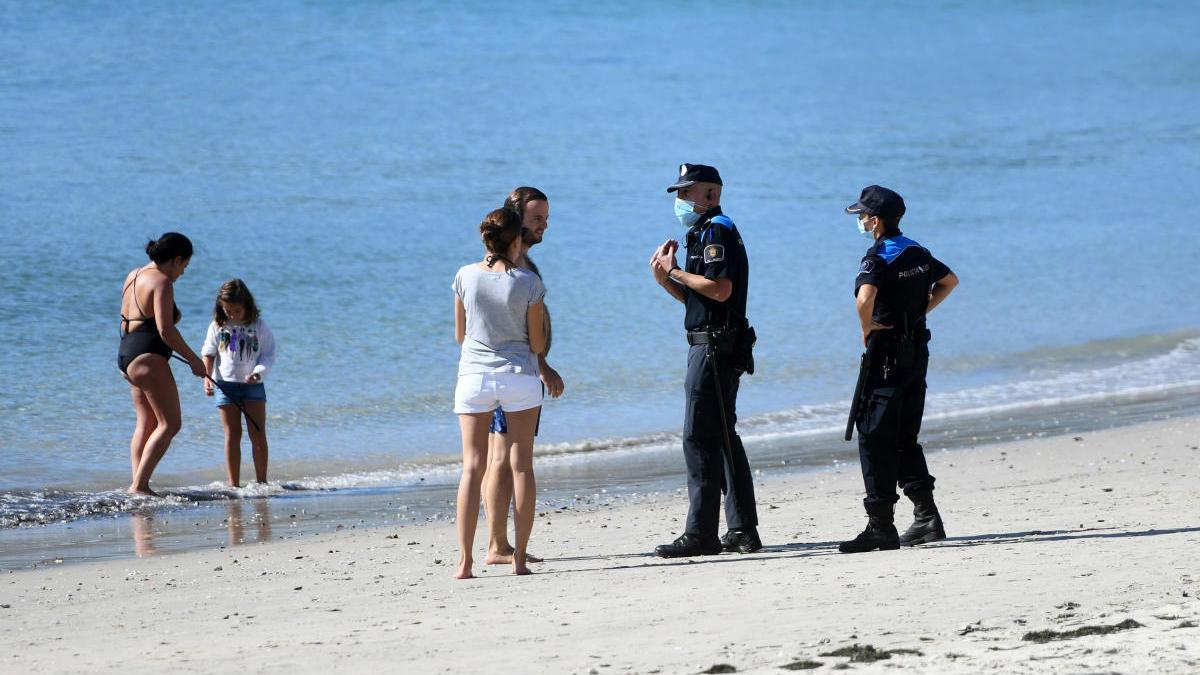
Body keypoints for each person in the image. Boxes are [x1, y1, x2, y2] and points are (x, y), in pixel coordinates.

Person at [648, 163, 761, 557]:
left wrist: (676, 271)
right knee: (723, 436)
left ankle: (701, 533)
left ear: (710, 194)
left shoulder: (717, 229)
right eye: (678, 193)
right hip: (714, 342)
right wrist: (668, 279)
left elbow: (720, 289)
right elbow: (701, 297)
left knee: (698, 437)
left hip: (713, 347)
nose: (680, 200)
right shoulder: (702, 231)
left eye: (686, 192)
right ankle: (742, 529)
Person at [839, 185, 959, 553]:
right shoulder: (918, 252)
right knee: (905, 436)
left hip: (887, 355)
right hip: (916, 353)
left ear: (874, 221)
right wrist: (920, 312)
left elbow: (864, 298)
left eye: (861, 216)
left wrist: (866, 327)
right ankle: (927, 518)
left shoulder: (877, 256)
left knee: (873, 434)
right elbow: (949, 281)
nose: (859, 221)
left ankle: (880, 526)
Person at [452, 208, 547, 578]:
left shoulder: (463, 276)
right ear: (515, 240)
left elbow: (460, 335)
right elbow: (536, 342)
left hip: (473, 376)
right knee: (521, 466)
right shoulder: (528, 283)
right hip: (519, 376)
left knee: (472, 467)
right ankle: (518, 559)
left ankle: (465, 562)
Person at [482, 187, 565, 566]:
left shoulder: (521, 265)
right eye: (537, 219)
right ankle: (498, 545)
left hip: (516, 373)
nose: (544, 225)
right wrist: (543, 365)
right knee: (503, 458)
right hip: (513, 373)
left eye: (546, 218)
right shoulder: (508, 268)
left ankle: (499, 543)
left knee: (503, 456)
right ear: (517, 221)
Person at [118, 232, 206, 495]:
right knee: (170, 424)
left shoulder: (133, 275)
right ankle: (140, 485)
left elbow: (130, 318)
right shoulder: (162, 281)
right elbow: (166, 330)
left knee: (145, 422)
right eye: (185, 266)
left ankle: (138, 483)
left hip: (127, 353)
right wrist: (194, 361)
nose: (183, 273)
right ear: (176, 260)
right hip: (148, 355)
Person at [201, 279, 277, 487]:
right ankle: (233, 484)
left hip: (253, 386)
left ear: (247, 306)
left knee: (258, 432)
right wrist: (207, 379)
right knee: (232, 434)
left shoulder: (258, 326)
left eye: (236, 310)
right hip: (225, 386)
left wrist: (258, 373)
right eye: (228, 310)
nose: (232, 315)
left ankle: (262, 482)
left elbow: (268, 355)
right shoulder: (218, 325)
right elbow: (208, 353)